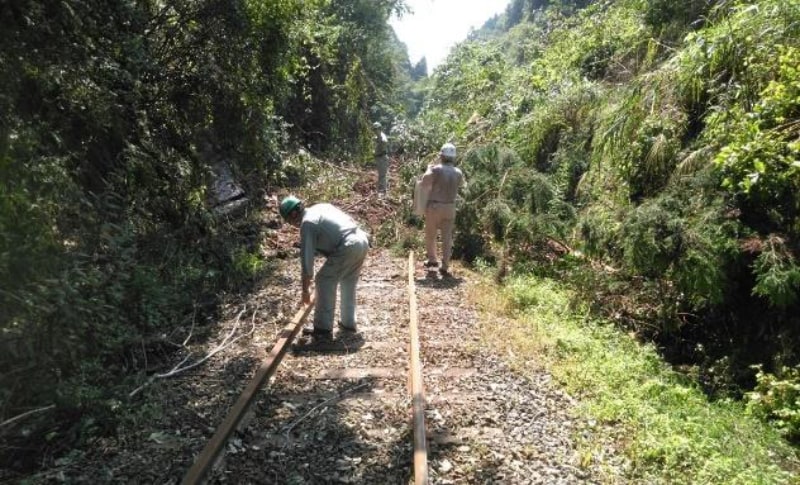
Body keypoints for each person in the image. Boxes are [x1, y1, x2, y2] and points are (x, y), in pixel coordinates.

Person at [279, 196, 370, 338]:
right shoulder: (320, 207)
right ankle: (348, 323)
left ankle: (322, 329)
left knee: (323, 280)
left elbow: (307, 259)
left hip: (349, 244)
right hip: (361, 240)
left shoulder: (307, 224)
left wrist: (305, 290)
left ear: (292, 215)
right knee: (348, 281)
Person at [419, 143, 465, 277]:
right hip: (450, 207)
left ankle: (432, 260)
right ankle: (445, 266)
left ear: (442, 156)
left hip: (435, 206)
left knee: (431, 234)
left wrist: (428, 169)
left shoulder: (436, 169)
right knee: (447, 238)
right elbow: (460, 186)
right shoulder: (458, 172)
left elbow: (424, 182)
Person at [373, 122, 390, 196]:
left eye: (376, 129)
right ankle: (381, 190)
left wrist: (380, 142)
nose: (375, 131)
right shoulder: (377, 136)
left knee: (382, 175)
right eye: (374, 129)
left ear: (379, 129)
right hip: (379, 158)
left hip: (382, 158)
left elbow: (385, 141)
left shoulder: (382, 136)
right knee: (381, 175)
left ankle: (382, 192)